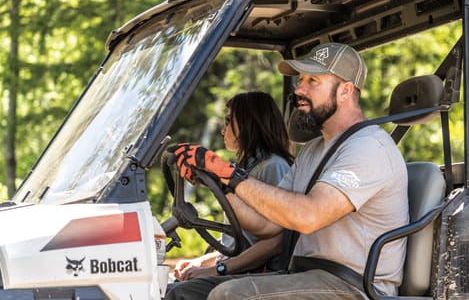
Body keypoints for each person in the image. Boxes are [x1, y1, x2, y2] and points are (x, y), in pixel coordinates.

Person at [167, 42, 409, 300]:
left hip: (352, 286)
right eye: (300, 79)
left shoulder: (369, 147)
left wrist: (232, 175)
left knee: (229, 295)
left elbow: (308, 216)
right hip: (304, 274)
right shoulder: (315, 149)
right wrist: (221, 182)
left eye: (313, 81)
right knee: (183, 293)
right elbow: (270, 225)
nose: (299, 89)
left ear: (345, 91)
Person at [173, 91, 294, 282]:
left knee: (180, 294)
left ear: (249, 124)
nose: (223, 130)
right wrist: (200, 263)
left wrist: (217, 270)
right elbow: (239, 245)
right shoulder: (245, 170)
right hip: (237, 268)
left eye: (229, 121)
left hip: (257, 275)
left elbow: (275, 243)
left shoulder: (273, 166)